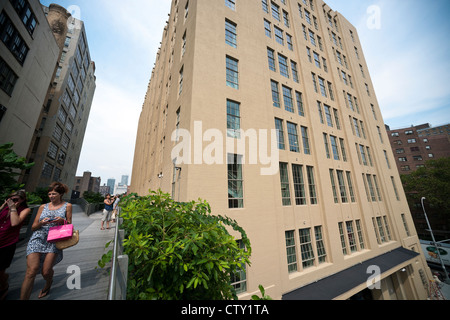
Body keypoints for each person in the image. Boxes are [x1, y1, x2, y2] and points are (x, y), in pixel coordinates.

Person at [20, 182, 72, 300]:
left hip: (54, 238)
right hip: (38, 237)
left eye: (54, 194)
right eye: (49, 194)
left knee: (46, 271)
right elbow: (33, 227)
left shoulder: (67, 206)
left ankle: (48, 283)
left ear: (61, 194)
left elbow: (69, 224)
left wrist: (61, 221)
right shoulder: (42, 207)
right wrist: (41, 223)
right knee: (31, 271)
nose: (51, 196)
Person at [0, 190, 31, 300]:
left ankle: (4, 286)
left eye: (16, 199)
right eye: (11, 199)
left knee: (0, 271)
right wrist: (3, 205)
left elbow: (15, 223)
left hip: (8, 243)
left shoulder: (24, 210)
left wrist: (13, 208)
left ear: (22, 200)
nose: (12, 201)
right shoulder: (4, 208)